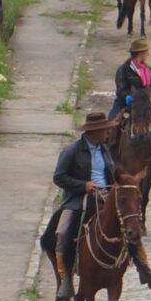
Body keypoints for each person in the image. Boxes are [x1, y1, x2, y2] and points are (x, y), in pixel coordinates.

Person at [36, 111, 115, 281]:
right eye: (105, 129)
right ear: (95, 131)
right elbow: (59, 177)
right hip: (79, 199)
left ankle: (141, 265)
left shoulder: (106, 149)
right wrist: (84, 185)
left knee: (130, 223)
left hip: (107, 195)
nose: (108, 132)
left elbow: (111, 173)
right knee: (63, 232)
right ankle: (64, 274)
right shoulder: (72, 151)